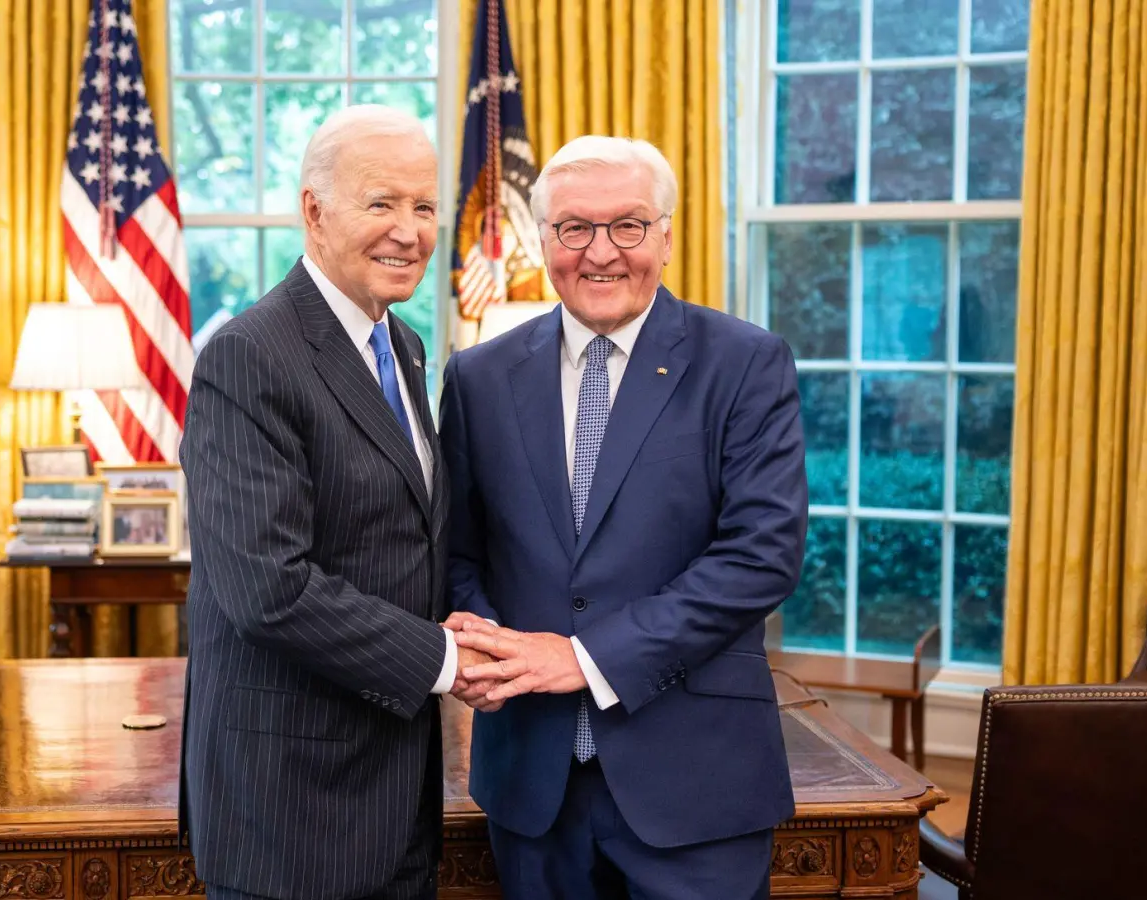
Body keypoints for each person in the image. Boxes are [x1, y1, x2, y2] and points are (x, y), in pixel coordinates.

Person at [438, 135, 808, 899]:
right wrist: (494, 651)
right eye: (574, 228)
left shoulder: (745, 363)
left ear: (667, 236)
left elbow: (760, 557)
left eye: (628, 226)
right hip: (531, 789)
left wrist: (585, 658)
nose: (600, 252)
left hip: (696, 788)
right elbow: (457, 554)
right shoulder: (477, 377)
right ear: (544, 241)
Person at [179, 105, 488, 900]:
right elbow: (269, 591)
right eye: (381, 204)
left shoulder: (404, 344)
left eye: (424, 207)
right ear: (314, 212)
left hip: (395, 792)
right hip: (293, 809)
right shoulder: (249, 355)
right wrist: (448, 660)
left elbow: (405, 538)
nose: (409, 231)